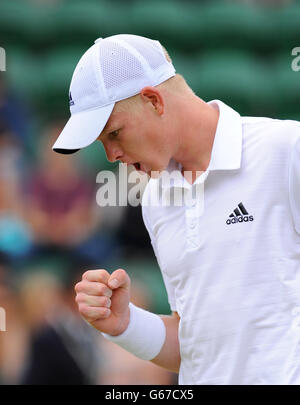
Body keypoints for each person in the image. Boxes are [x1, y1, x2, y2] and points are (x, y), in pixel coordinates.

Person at [52, 34, 300, 384]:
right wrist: (125, 323)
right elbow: (194, 344)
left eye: (115, 134)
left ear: (154, 100)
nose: (111, 156)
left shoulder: (286, 150)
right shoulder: (154, 199)